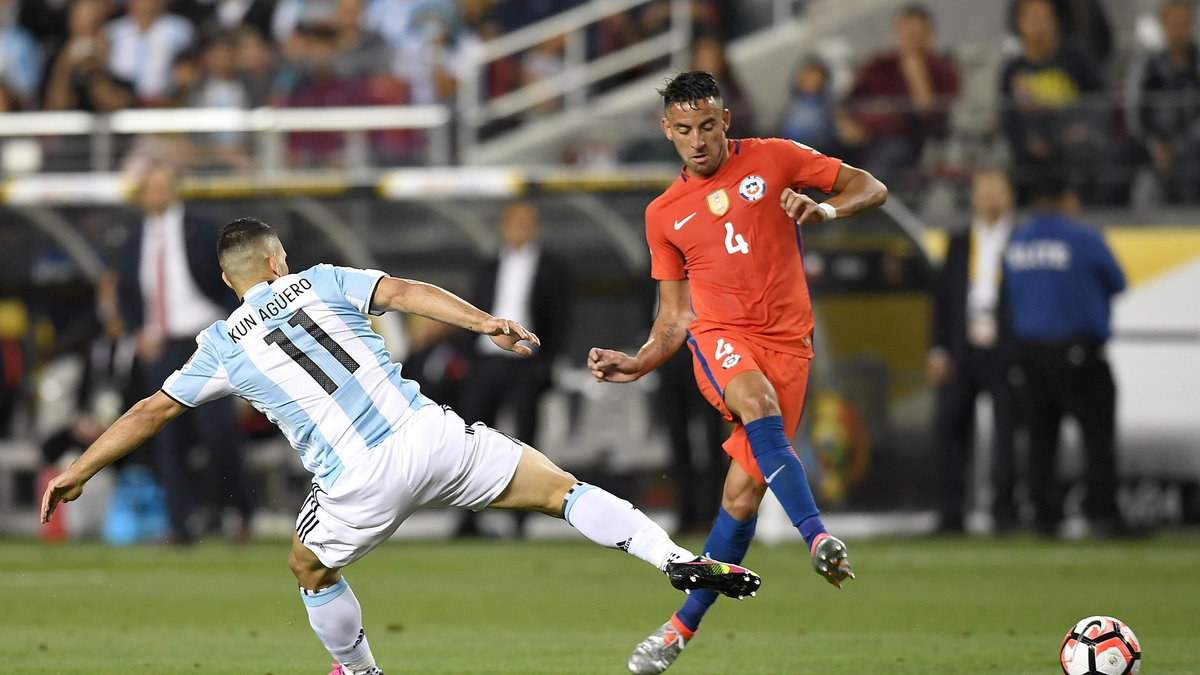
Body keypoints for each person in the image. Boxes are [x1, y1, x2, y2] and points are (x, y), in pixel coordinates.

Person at [41, 217, 763, 675]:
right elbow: (410, 290)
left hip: (356, 478)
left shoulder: (218, 344)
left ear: (231, 282)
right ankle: (670, 556)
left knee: (307, 566)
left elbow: (149, 410)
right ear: (277, 261)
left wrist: (77, 470)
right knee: (559, 488)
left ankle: (358, 671)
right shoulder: (321, 280)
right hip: (431, 434)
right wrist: (487, 324)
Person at [588, 70, 887, 674]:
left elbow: (871, 187)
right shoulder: (663, 215)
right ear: (665, 131)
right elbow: (675, 318)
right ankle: (818, 536)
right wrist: (642, 360)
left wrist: (824, 210)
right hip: (722, 339)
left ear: (725, 121)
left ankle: (677, 631)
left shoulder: (776, 159)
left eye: (706, 127)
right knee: (756, 403)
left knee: (742, 494)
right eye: (682, 131)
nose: (696, 141)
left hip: (790, 345)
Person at [114, 163, 254, 544]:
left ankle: (239, 514)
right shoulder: (135, 235)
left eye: (162, 186)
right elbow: (127, 290)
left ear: (175, 189)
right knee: (166, 438)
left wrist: (235, 326)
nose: (155, 194)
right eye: (149, 187)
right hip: (163, 344)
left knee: (218, 435)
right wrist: (136, 332)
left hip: (208, 341)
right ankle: (179, 524)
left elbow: (231, 276)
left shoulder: (204, 227)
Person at [1002, 175, 1127, 538]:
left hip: (1030, 357)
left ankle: (1044, 515)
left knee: (1041, 441)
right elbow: (1117, 282)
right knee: (1097, 439)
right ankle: (1102, 514)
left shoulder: (1018, 242)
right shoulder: (1084, 239)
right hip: (1079, 354)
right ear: (1068, 200)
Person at [454, 198, 570, 538]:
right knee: (471, 442)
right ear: (502, 226)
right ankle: (468, 518)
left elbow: (560, 322)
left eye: (527, 222)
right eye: (515, 222)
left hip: (525, 364)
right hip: (484, 363)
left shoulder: (553, 268)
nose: (521, 228)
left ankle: (520, 519)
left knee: (524, 442)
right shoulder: (486, 265)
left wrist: (544, 364)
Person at [928, 167, 1020, 535]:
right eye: (982, 190)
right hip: (963, 346)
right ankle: (951, 514)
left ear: (1010, 194)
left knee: (1007, 433)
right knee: (950, 429)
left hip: (1005, 347)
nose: (989, 197)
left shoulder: (1020, 238)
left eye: (996, 189)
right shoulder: (960, 240)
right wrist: (938, 349)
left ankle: (1005, 513)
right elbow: (944, 299)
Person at [841, 3, 959, 193]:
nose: (909, 39)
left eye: (916, 33)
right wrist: (848, 125)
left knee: (882, 163)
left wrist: (915, 70)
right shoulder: (880, 64)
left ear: (928, 36)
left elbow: (931, 114)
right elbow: (847, 102)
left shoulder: (943, 70)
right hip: (864, 135)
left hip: (908, 142)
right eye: (905, 32)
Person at [1126, 0, 1200, 204]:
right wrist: (1154, 143)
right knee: (1123, 155)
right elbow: (1134, 110)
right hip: (1154, 142)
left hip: (1192, 143)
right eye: (1173, 23)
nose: (1178, 29)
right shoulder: (1147, 64)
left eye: (1183, 23)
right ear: (1163, 24)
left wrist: (1180, 145)